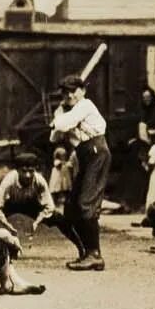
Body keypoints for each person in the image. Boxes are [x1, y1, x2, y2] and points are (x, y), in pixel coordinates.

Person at [51, 74, 111, 272]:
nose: (70, 95)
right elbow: (54, 137)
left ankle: (94, 254)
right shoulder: (70, 110)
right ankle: (86, 251)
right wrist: (61, 115)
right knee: (71, 206)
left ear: (83, 90)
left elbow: (60, 126)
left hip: (96, 152)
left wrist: (59, 115)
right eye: (65, 91)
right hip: (84, 154)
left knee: (86, 203)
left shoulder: (85, 105)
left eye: (73, 90)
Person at [0, 152, 57, 238]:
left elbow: (50, 206)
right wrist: (7, 224)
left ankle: (79, 244)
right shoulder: (9, 180)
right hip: (11, 205)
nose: (28, 175)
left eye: (31, 171)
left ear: (35, 169)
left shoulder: (40, 181)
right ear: (17, 170)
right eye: (24, 171)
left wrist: (37, 222)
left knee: (59, 218)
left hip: (31, 205)